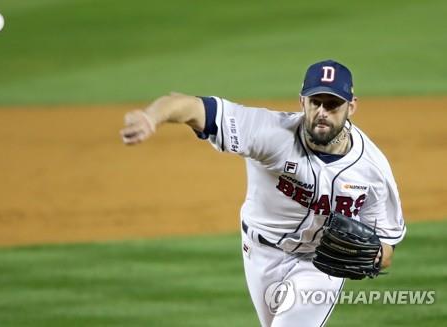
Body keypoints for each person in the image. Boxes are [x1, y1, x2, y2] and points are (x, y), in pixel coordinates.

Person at [120, 60, 406, 326]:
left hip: (318, 266)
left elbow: (387, 245)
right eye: (316, 102)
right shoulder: (270, 133)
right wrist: (151, 116)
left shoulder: (373, 170)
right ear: (302, 101)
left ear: (351, 106)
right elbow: (192, 107)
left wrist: (373, 257)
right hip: (258, 253)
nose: (322, 112)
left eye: (333, 104)